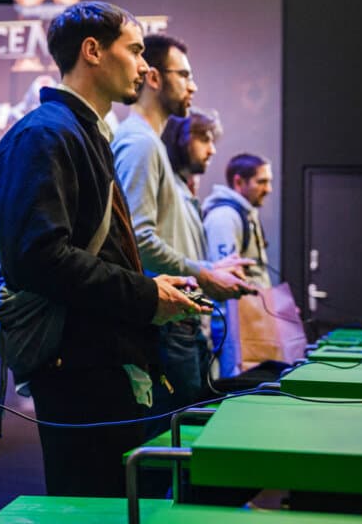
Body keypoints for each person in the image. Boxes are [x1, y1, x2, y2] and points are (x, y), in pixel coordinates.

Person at [0, 1, 205, 498]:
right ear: (92, 52)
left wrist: (149, 287)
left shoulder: (79, 133)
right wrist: (146, 296)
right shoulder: (45, 135)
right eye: (134, 50)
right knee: (94, 503)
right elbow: (41, 258)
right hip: (80, 372)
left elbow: (90, 253)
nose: (145, 66)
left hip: (100, 366)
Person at [112, 34, 250, 429]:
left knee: (186, 439)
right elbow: (138, 239)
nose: (193, 86)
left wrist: (208, 267)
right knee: (176, 448)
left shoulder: (149, 143)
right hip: (165, 322)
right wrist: (204, 272)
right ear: (153, 78)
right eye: (184, 75)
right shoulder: (140, 143)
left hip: (177, 321)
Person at [160, 109, 236, 378]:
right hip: (173, 324)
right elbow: (144, 243)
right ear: (179, 139)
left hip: (189, 323)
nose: (212, 149)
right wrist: (206, 272)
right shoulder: (166, 185)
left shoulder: (181, 188)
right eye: (204, 139)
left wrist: (214, 269)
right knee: (176, 416)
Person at [203, 153, 275, 377]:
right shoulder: (225, 217)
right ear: (238, 182)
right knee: (234, 390)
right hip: (232, 328)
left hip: (248, 324)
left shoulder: (245, 214)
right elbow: (226, 279)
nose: (269, 189)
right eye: (261, 181)